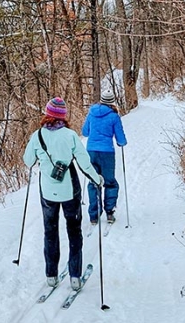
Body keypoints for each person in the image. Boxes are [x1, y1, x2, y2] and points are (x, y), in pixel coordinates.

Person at [23, 97, 103, 291]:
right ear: (63, 116)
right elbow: (84, 163)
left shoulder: (37, 135)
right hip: (69, 191)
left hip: (48, 191)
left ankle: (51, 275)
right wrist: (97, 179)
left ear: (47, 114)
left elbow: (27, 161)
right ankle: (75, 276)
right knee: (74, 231)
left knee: (50, 231)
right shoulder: (71, 135)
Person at [81, 92, 128, 224]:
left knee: (94, 181)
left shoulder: (91, 113)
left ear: (101, 100)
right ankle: (109, 212)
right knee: (110, 182)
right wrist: (122, 143)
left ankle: (94, 216)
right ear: (112, 102)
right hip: (107, 152)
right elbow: (120, 138)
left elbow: (85, 132)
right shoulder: (114, 116)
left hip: (91, 151)